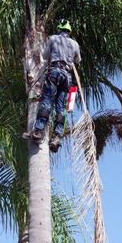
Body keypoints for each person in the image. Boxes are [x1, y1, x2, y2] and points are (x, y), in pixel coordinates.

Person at [32, 19, 81, 152]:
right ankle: (56, 137)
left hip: (54, 71)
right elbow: (78, 60)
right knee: (61, 107)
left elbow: (45, 55)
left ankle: (38, 130)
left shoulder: (53, 39)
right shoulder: (74, 44)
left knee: (47, 100)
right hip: (67, 76)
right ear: (69, 31)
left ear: (59, 29)